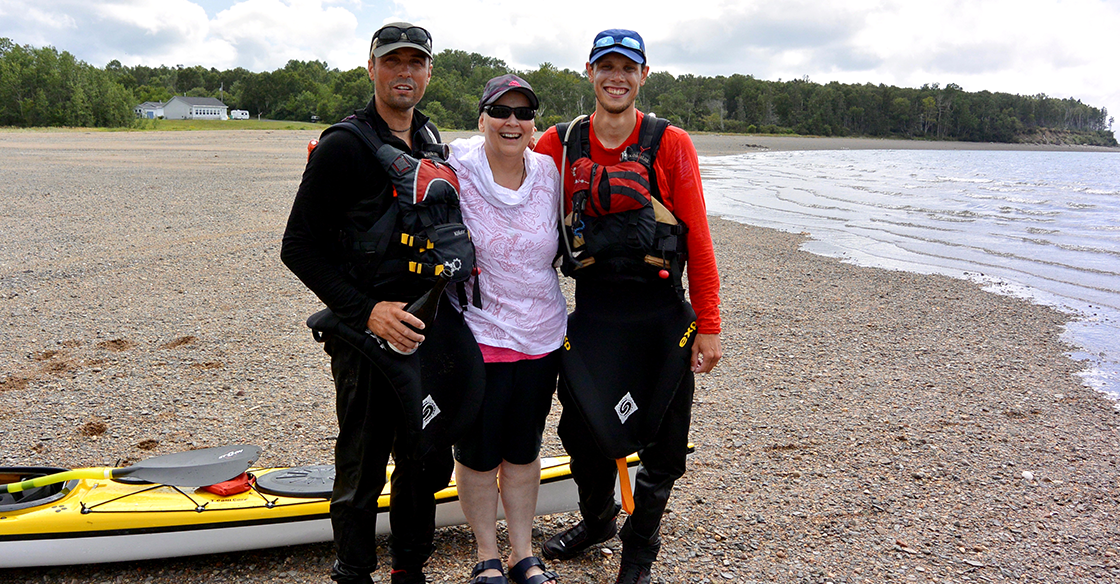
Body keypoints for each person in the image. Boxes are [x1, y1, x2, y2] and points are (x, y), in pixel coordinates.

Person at [281, 22, 485, 584]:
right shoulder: (344, 146)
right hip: (365, 334)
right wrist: (367, 310)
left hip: (426, 328)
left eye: (415, 63)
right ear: (371, 68)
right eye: (393, 62)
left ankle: (409, 569)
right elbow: (297, 248)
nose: (405, 72)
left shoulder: (431, 140)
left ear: (428, 73)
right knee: (362, 464)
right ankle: (352, 570)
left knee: (425, 457)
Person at [533, 29, 723, 584]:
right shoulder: (560, 143)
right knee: (581, 433)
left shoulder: (670, 143)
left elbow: (699, 238)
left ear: (643, 75)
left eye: (628, 68)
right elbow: (505, 178)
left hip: (661, 315)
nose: (616, 77)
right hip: (594, 314)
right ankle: (598, 521)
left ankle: (640, 551)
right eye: (606, 67)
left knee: (663, 447)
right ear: (589, 73)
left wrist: (708, 324)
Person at [447, 74, 565, 584]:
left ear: (534, 123)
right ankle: (486, 557)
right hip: (478, 336)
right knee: (477, 454)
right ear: (482, 119)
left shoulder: (549, 173)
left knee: (524, 449)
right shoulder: (457, 167)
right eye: (500, 111)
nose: (511, 121)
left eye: (523, 112)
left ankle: (523, 555)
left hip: (542, 335)